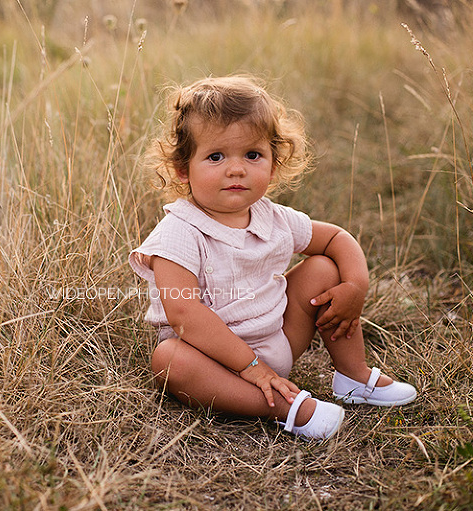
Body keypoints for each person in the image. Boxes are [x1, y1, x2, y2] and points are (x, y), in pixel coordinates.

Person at [129, 75, 417, 440]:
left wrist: (355, 286)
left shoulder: (272, 216)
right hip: (213, 361)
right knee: (168, 359)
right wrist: (251, 368)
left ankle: (353, 375)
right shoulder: (179, 232)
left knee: (324, 268)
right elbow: (184, 314)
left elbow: (337, 239)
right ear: (183, 169)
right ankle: (285, 407)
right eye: (215, 156)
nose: (236, 169)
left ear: (273, 163)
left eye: (253, 155)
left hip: (278, 341)